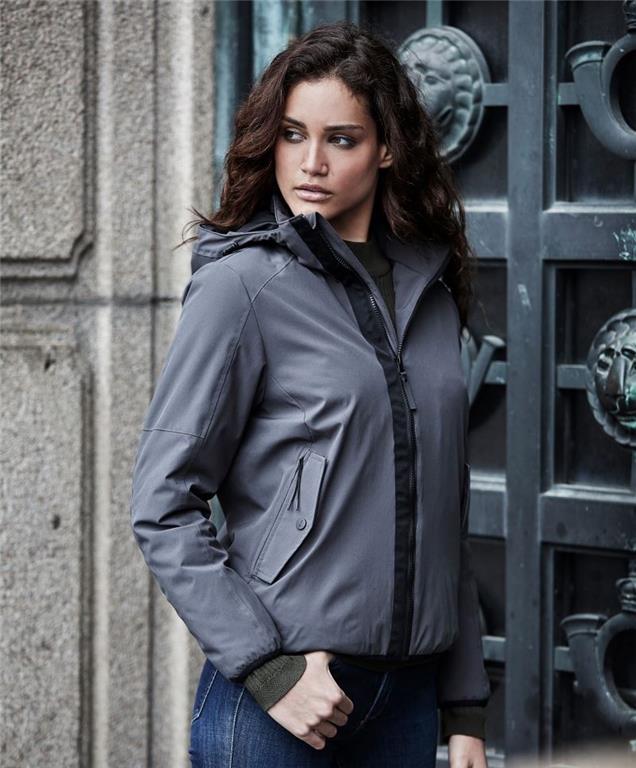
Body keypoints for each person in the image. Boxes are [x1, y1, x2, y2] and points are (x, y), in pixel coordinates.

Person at [130, 19, 491, 768]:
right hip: (281, 700)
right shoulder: (242, 286)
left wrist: (464, 706)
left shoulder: (431, 292)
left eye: (342, 139)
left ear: (386, 148)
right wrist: (267, 669)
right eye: (293, 135)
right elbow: (162, 503)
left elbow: (440, 507)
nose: (311, 163)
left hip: (406, 703)